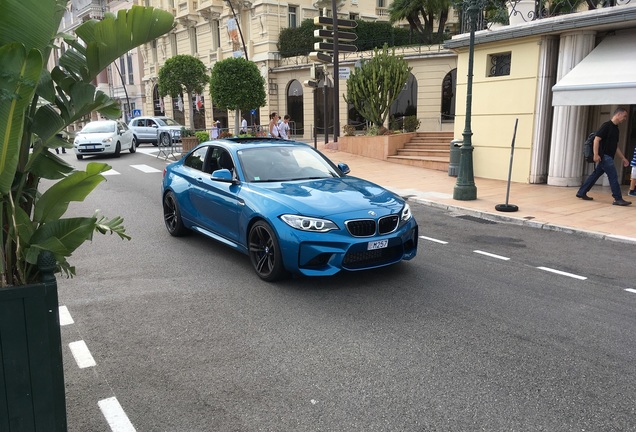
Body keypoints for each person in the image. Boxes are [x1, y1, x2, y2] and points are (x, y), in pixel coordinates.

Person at [576, 107, 631, 206]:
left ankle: (581, 192)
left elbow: (615, 147)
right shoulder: (606, 126)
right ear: (618, 114)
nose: (625, 119)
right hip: (605, 157)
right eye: (624, 116)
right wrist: (596, 155)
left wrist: (623, 158)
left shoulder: (616, 129)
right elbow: (596, 139)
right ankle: (617, 198)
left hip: (607, 156)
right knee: (613, 176)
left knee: (595, 175)